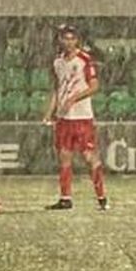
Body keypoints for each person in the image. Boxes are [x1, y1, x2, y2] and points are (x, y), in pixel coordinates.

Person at [41, 23, 108, 211]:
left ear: (77, 40)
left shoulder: (84, 60)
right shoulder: (57, 62)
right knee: (64, 157)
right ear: (60, 40)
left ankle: (101, 196)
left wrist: (74, 99)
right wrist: (49, 112)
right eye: (65, 38)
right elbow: (56, 88)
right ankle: (65, 198)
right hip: (63, 118)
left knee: (88, 156)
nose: (69, 42)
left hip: (82, 117)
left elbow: (94, 86)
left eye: (72, 38)